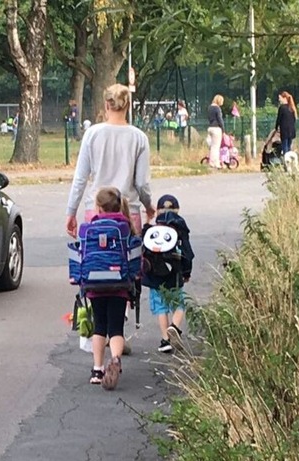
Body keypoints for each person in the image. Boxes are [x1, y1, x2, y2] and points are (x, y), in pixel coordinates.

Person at [65, 83, 155, 241]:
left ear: (106, 104)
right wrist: (148, 206)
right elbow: (141, 183)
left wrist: (71, 212)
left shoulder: (91, 134)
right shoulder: (139, 138)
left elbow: (80, 178)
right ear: (127, 105)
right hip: (128, 212)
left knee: (96, 260)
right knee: (130, 261)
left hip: (96, 211)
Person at [82, 187, 135, 389]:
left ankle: (97, 369)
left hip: (95, 285)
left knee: (99, 327)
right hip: (119, 285)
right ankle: (115, 359)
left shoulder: (89, 228)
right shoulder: (125, 227)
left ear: (99, 208)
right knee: (116, 328)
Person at [141, 194, 194, 353]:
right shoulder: (179, 230)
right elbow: (187, 253)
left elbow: (143, 244)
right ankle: (175, 327)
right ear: (177, 210)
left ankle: (165, 340)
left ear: (157, 211)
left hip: (155, 277)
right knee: (179, 304)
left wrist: (146, 221)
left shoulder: (152, 230)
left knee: (161, 308)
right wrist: (186, 272)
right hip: (175, 275)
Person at [208, 94, 225, 169]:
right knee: (216, 147)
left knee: (212, 147)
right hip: (216, 128)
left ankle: (211, 162)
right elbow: (220, 119)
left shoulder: (210, 107)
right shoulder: (217, 108)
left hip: (210, 128)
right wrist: (223, 129)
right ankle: (216, 163)